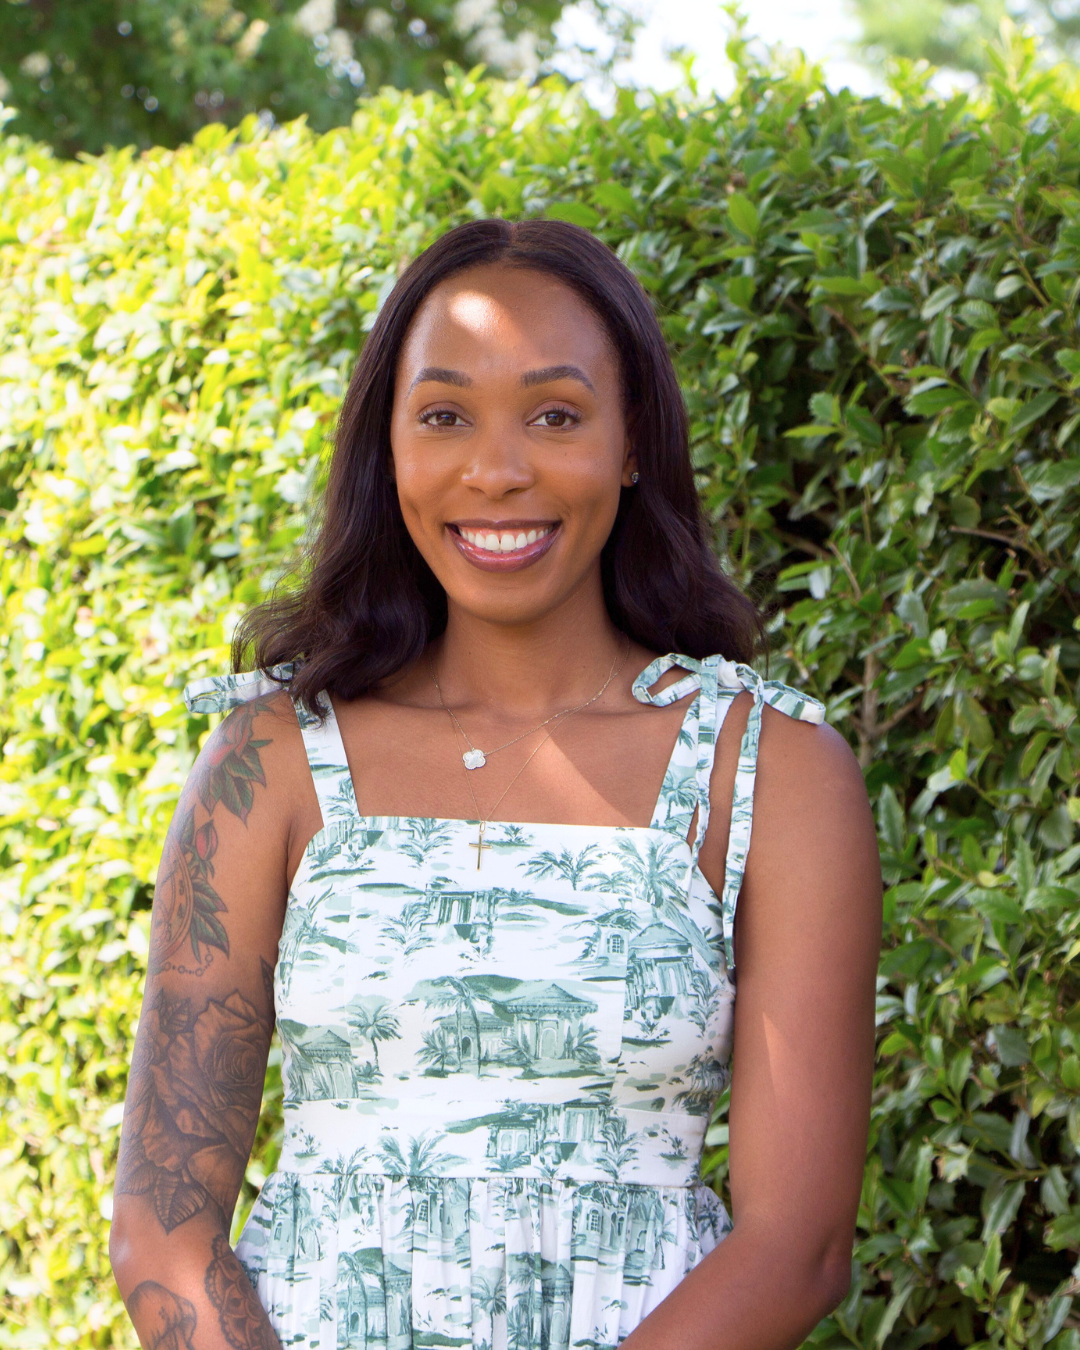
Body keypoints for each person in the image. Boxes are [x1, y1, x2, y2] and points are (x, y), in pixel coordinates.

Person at [109, 218, 881, 1350]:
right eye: (445, 415)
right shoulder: (270, 758)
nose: (497, 469)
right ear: (391, 447)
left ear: (631, 444)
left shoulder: (771, 772)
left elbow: (797, 1247)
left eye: (557, 416)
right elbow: (163, 1230)